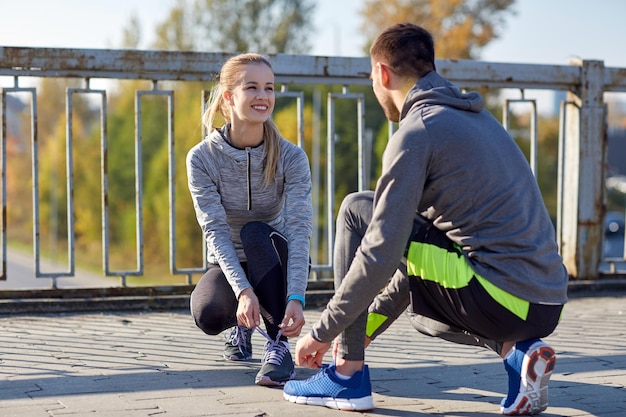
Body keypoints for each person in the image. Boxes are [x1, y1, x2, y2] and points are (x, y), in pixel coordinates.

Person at [283, 23, 568, 415]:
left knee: (356, 211)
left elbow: (381, 250)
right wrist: (363, 328)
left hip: (498, 297)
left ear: (383, 73)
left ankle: (347, 376)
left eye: (372, 78)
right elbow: (416, 257)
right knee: (424, 300)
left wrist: (323, 332)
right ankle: (520, 356)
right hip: (544, 304)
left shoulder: (418, 131)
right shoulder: (478, 120)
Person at [186, 53, 313, 387]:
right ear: (228, 97)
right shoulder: (202, 158)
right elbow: (214, 230)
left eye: (269, 88)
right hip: (230, 262)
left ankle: (279, 347)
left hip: (274, 255)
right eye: (252, 87)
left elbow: (300, 230)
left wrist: (297, 297)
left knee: (257, 232)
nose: (263, 96)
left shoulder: (291, 157)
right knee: (208, 314)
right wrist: (242, 290)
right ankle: (242, 325)